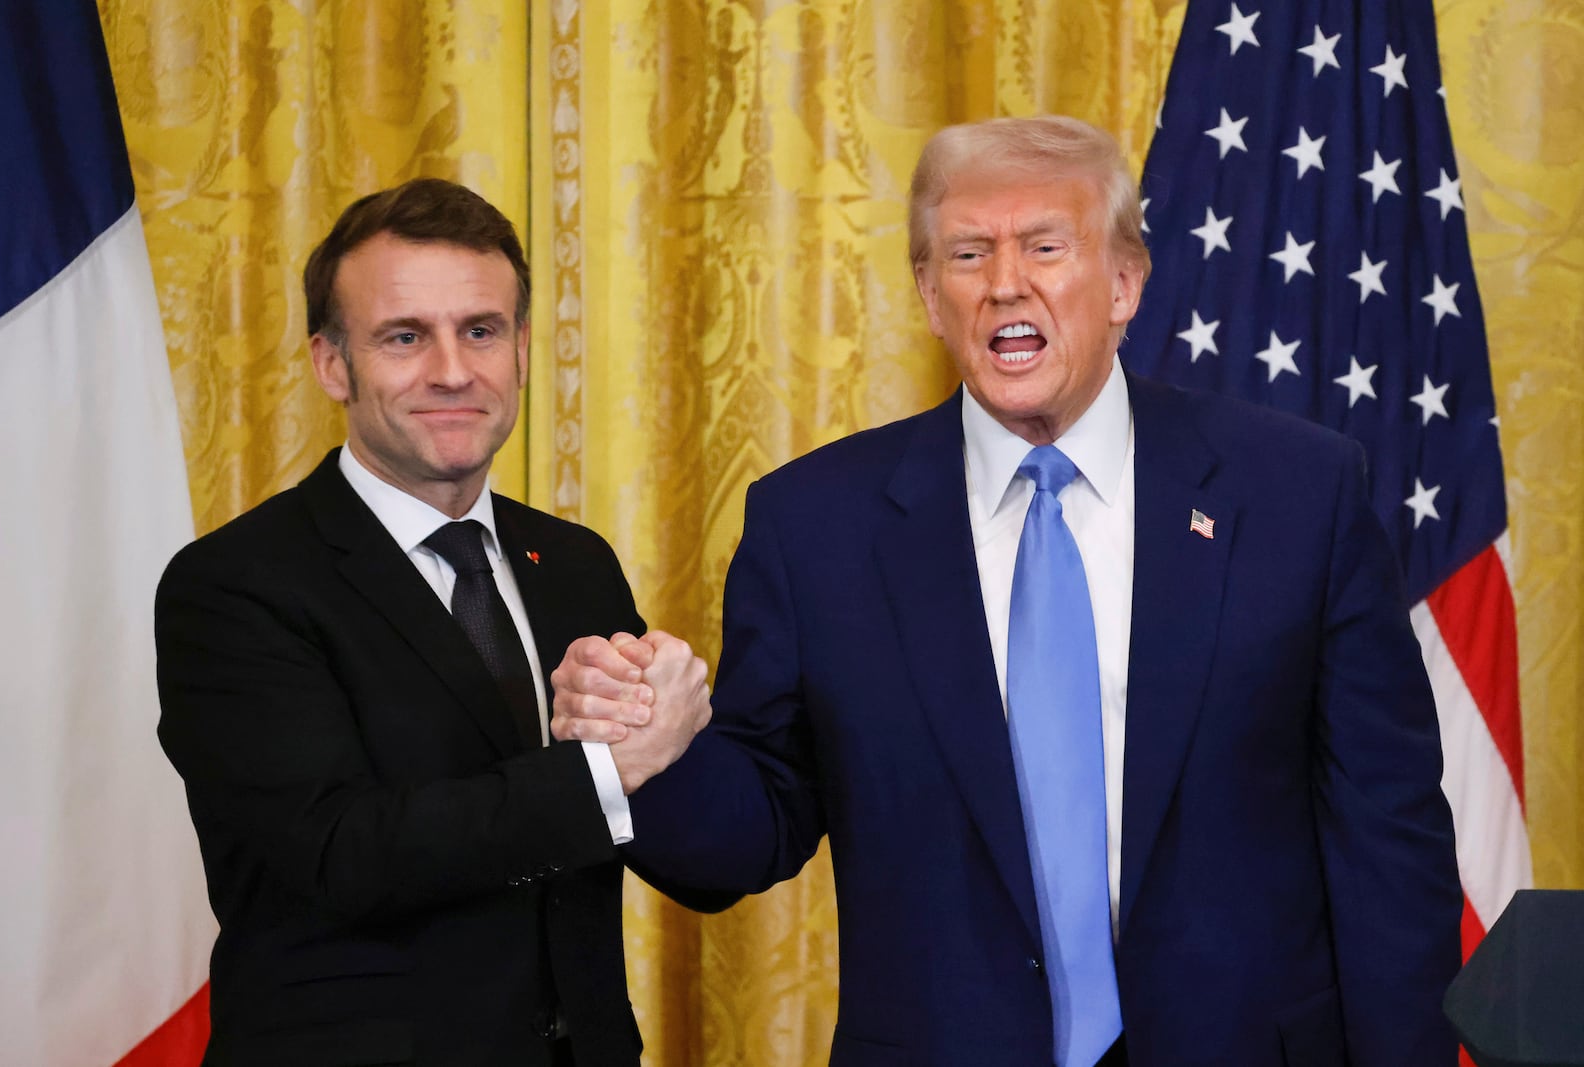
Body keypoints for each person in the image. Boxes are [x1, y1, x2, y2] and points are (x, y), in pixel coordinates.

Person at [552, 116, 1463, 1066]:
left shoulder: (1298, 495)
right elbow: (750, 832)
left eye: (1044, 246)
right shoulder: (816, 525)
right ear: (929, 294)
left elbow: (1387, 837)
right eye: (969, 253)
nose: (1004, 283)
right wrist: (648, 753)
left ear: (1124, 283)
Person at [155, 178, 708, 1066]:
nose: (452, 370)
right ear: (332, 364)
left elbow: (670, 835)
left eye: (481, 331)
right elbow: (344, 855)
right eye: (405, 336)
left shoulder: (573, 562)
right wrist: (615, 764)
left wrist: (685, 726)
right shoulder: (231, 587)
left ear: (522, 350)